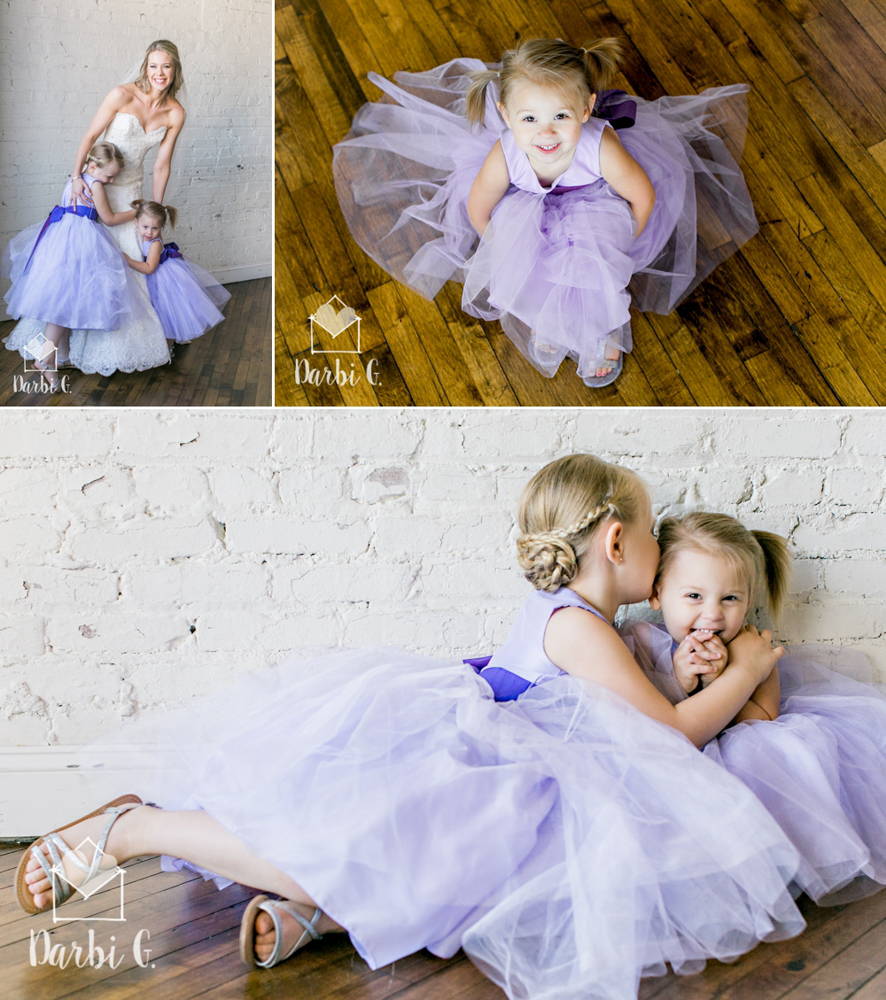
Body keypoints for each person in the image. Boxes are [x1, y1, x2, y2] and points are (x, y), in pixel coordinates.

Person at [18, 455, 806, 1000]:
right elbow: (667, 732)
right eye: (650, 530)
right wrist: (738, 674)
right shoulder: (580, 628)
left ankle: (324, 914)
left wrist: (712, 668)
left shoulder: (595, 621)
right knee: (324, 846)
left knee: (441, 869)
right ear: (614, 542)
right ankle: (133, 829)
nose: (659, 548)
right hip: (473, 754)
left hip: (512, 767)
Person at [333, 38, 758, 386]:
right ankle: (546, 318)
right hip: (527, 205)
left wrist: (624, 241)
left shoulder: (598, 146)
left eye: (561, 115)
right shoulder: (507, 154)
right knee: (528, 261)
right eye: (530, 118)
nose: (546, 132)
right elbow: (478, 206)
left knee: (594, 261)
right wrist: (505, 246)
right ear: (505, 115)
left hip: (595, 202)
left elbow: (642, 196)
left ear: (587, 110)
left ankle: (602, 327)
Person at [622, 511, 886, 905]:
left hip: (743, 763)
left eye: (730, 598)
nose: (712, 614)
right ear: (657, 594)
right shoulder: (641, 642)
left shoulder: (754, 649)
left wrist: (723, 682)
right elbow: (654, 721)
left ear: (748, 603)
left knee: (776, 761)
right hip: (672, 764)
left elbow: (765, 718)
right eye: (694, 596)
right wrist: (679, 680)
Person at [4, 40, 186, 376]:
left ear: (175, 70)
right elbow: (90, 136)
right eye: (154, 66)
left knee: (127, 271)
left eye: (167, 67)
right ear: (145, 66)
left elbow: (162, 165)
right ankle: (52, 353)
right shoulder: (121, 95)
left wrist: (153, 211)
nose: (159, 73)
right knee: (76, 279)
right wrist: (76, 178)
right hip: (97, 197)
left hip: (131, 194)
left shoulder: (175, 112)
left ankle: (79, 352)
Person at [2, 142, 146, 390]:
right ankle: (45, 359)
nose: (110, 181)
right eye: (109, 175)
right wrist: (136, 212)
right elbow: (109, 219)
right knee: (62, 304)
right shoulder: (95, 184)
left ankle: (62, 356)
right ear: (93, 166)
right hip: (81, 242)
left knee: (63, 300)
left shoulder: (74, 181)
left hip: (59, 237)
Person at [123, 200, 230, 348]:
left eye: (155, 228)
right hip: (155, 277)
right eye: (145, 227)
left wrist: (128, 261)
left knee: (166, 311)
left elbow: (149, 268)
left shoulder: (154, 244)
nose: (149, 232)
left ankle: (169, 343)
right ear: (136, 222)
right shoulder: (144, 236)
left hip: (161, 279)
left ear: (160, 228)